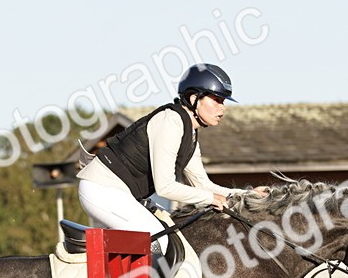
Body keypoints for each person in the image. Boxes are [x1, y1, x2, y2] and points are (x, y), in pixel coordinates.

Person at [76, 63, 264, 234]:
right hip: (101, 190)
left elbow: (204, 186)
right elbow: (165, 187)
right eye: (216, 100)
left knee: (171, 232)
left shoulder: (189, 134)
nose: (222, 109)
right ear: (193, 98)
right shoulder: (171, 122)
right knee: (161, 238)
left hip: (119, 193)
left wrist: (249, 195)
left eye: (223, 101)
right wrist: (211, 199)